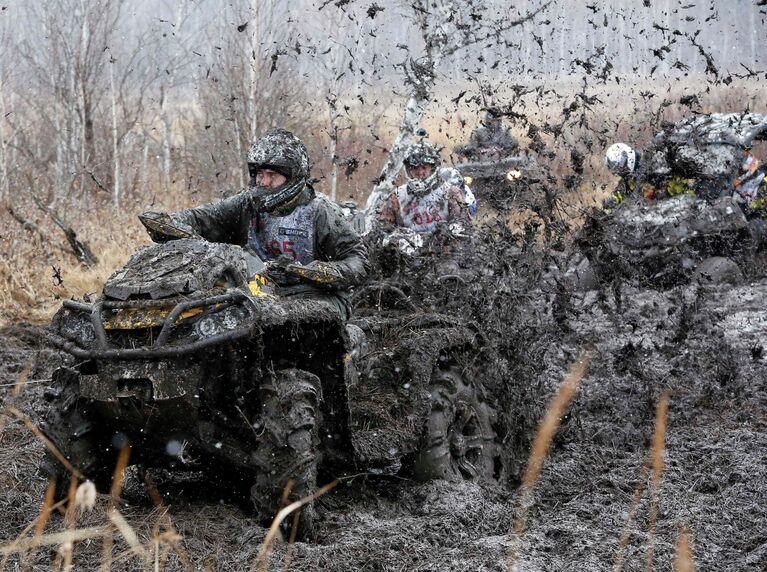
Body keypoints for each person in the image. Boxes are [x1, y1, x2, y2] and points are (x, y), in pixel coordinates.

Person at [141, 128, 368, 320]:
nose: (264, 182)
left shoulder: (320, 212)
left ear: (292, 177)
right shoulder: (246, 204)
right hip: (257, 293)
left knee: (290, 327)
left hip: (315, 295)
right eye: (260, 174)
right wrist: (171, 224)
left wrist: (318, 272)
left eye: (272, 175)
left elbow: (359, 260)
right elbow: (203, 219)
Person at [377, 138, 471, 233]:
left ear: (432, 168)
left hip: (442, 244)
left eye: (424, 167)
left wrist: (449, 230)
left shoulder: (450, 192)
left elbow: (463, 222)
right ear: (408, 170)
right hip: (408, 245)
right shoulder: (398, 195)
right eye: (415, 168)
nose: (420, 172)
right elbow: (384, 227)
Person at [604, 142, 644, 208]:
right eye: (616, 169)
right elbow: (623, 191)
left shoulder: (646, 166)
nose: (619, 171)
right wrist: (614, 200)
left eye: (619, 166)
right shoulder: (629, 177)